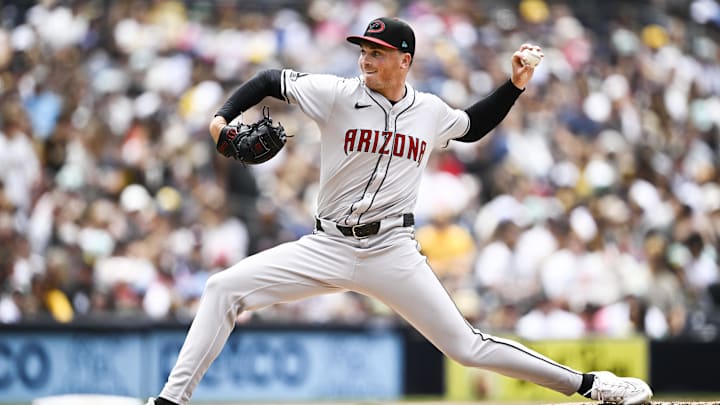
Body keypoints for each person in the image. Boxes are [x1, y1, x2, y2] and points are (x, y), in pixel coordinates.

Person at [146, 17, 652, 405]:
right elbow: (268, 80)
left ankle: (592, 386)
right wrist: (220, 122)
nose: (366, 58)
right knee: (222, 288)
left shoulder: (428, 111)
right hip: (327, 243)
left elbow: (472, 126)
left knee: (467, 346)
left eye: (378, 51)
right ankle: (171, 401)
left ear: (404, 58)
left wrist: (514, 87)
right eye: (364, 49)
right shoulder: (337, 94)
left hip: (392, 249)